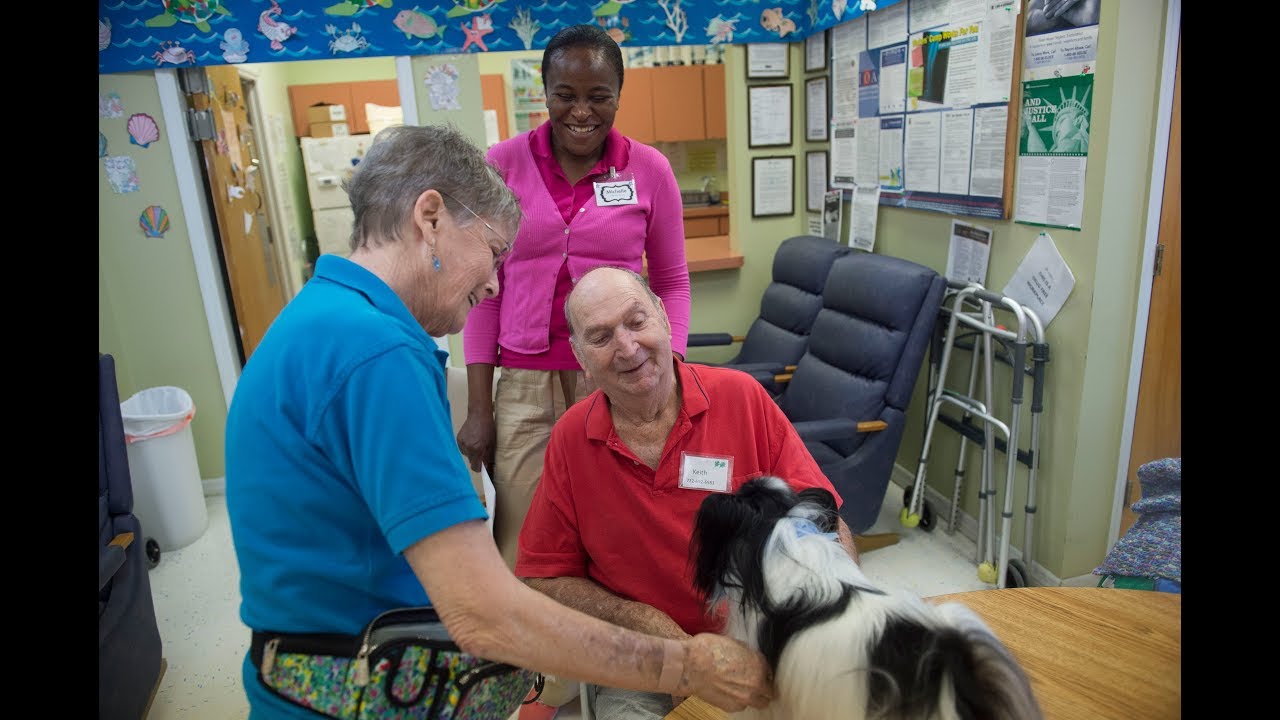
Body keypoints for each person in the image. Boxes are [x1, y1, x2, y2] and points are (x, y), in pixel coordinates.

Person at [224, 125, 772, 719]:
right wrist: (683, 666)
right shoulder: (377, 353)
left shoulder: (321, 315)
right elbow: (482, 612)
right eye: (493, 252)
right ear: (430, 217)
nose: (493, 283)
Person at [516, 266, 860, 720]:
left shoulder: (741, 398)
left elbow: (826, 521)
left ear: (662, 315)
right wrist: (657, 632)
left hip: (763, 643)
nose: (627, 347)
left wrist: (836, 627)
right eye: (600, 337)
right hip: (646, 661)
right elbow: (543, 574)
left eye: (636, 321)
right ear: (580, 357)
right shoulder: (571, 438)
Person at [457, 24, 690, 572]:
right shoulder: (502, 165)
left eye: (598, 96)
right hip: (524, 387)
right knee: (524, 539)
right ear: (545, 93)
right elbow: (485, 292)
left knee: (618, 536)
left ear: (617, 97)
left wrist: (670, 372)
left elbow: (674, 284)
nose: (581, 111)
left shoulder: (648, 170)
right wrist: (478, 407)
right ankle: (530, 655)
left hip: (619, 375)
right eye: (565, 95)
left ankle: (606, 653)